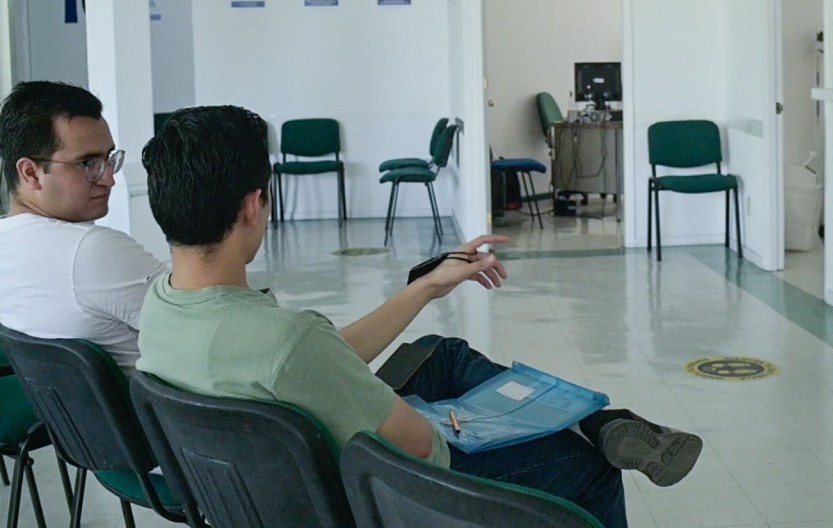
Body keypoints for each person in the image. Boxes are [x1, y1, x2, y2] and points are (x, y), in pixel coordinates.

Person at [137, 105, 703, 528]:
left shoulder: (161, 306)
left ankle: (600, 421)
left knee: (443, 354)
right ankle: (590, 429)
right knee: (590, 469)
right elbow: (417, 447)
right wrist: (464, 416)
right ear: (254, 204)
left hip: (275, 495)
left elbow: (315, 360)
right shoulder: (286, 341)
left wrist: (427, 286)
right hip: (370, 492)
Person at [0, 81, 164, 372]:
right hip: (153, 401)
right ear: (31, 173)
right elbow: (204, 329)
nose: (108, 179)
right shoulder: (92, 251)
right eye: (88, 163)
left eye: (108, 159)